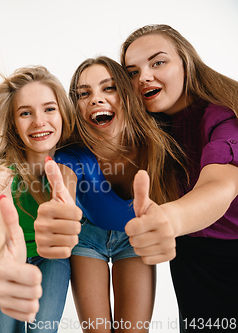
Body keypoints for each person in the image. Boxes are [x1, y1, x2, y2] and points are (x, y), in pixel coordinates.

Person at [54, 56, 184, 332]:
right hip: (87, 239)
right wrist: (59, 208)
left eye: (108, 88)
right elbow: (63, 189)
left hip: (133, 239)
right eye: (83, 93)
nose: (95, 99)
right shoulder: (71, 155)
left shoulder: (155, 144)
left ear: (126, 95)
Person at [121, 24, 238, 331]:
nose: (144, 76)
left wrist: (168, 220)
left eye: (158, 62)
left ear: (186, 62)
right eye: (132, 72)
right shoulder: (154, 131)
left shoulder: (222, 116)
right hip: (191, 263)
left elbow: (220, 185)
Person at [0, 65, 81, 332]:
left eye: (49, 109)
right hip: (7, 259)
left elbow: (65, 201)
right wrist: (3, 258)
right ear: (13, 122)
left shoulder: (67, 170)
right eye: (26, 113)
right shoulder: (1, 172)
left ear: (63, 114)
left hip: (50, 261)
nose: (39, 121)